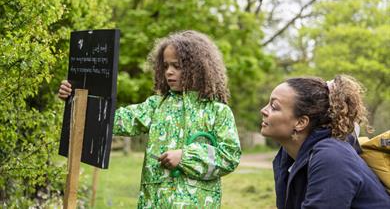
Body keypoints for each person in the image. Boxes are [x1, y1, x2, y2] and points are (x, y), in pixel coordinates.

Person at [58, 30, 241, 208]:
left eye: (177, 66)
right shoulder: (156, 105)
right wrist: (75, 98)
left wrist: (185, 157)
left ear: (199, 68)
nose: (169, 72)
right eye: (166, 66)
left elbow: (229, 156)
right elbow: (114, 120)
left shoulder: (218, 112)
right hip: (153, 202)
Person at [260, 75, 390, 209]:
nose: (263, 110)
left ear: (300, 123)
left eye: (274, 107)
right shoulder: (288, 156)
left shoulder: (332, 157)